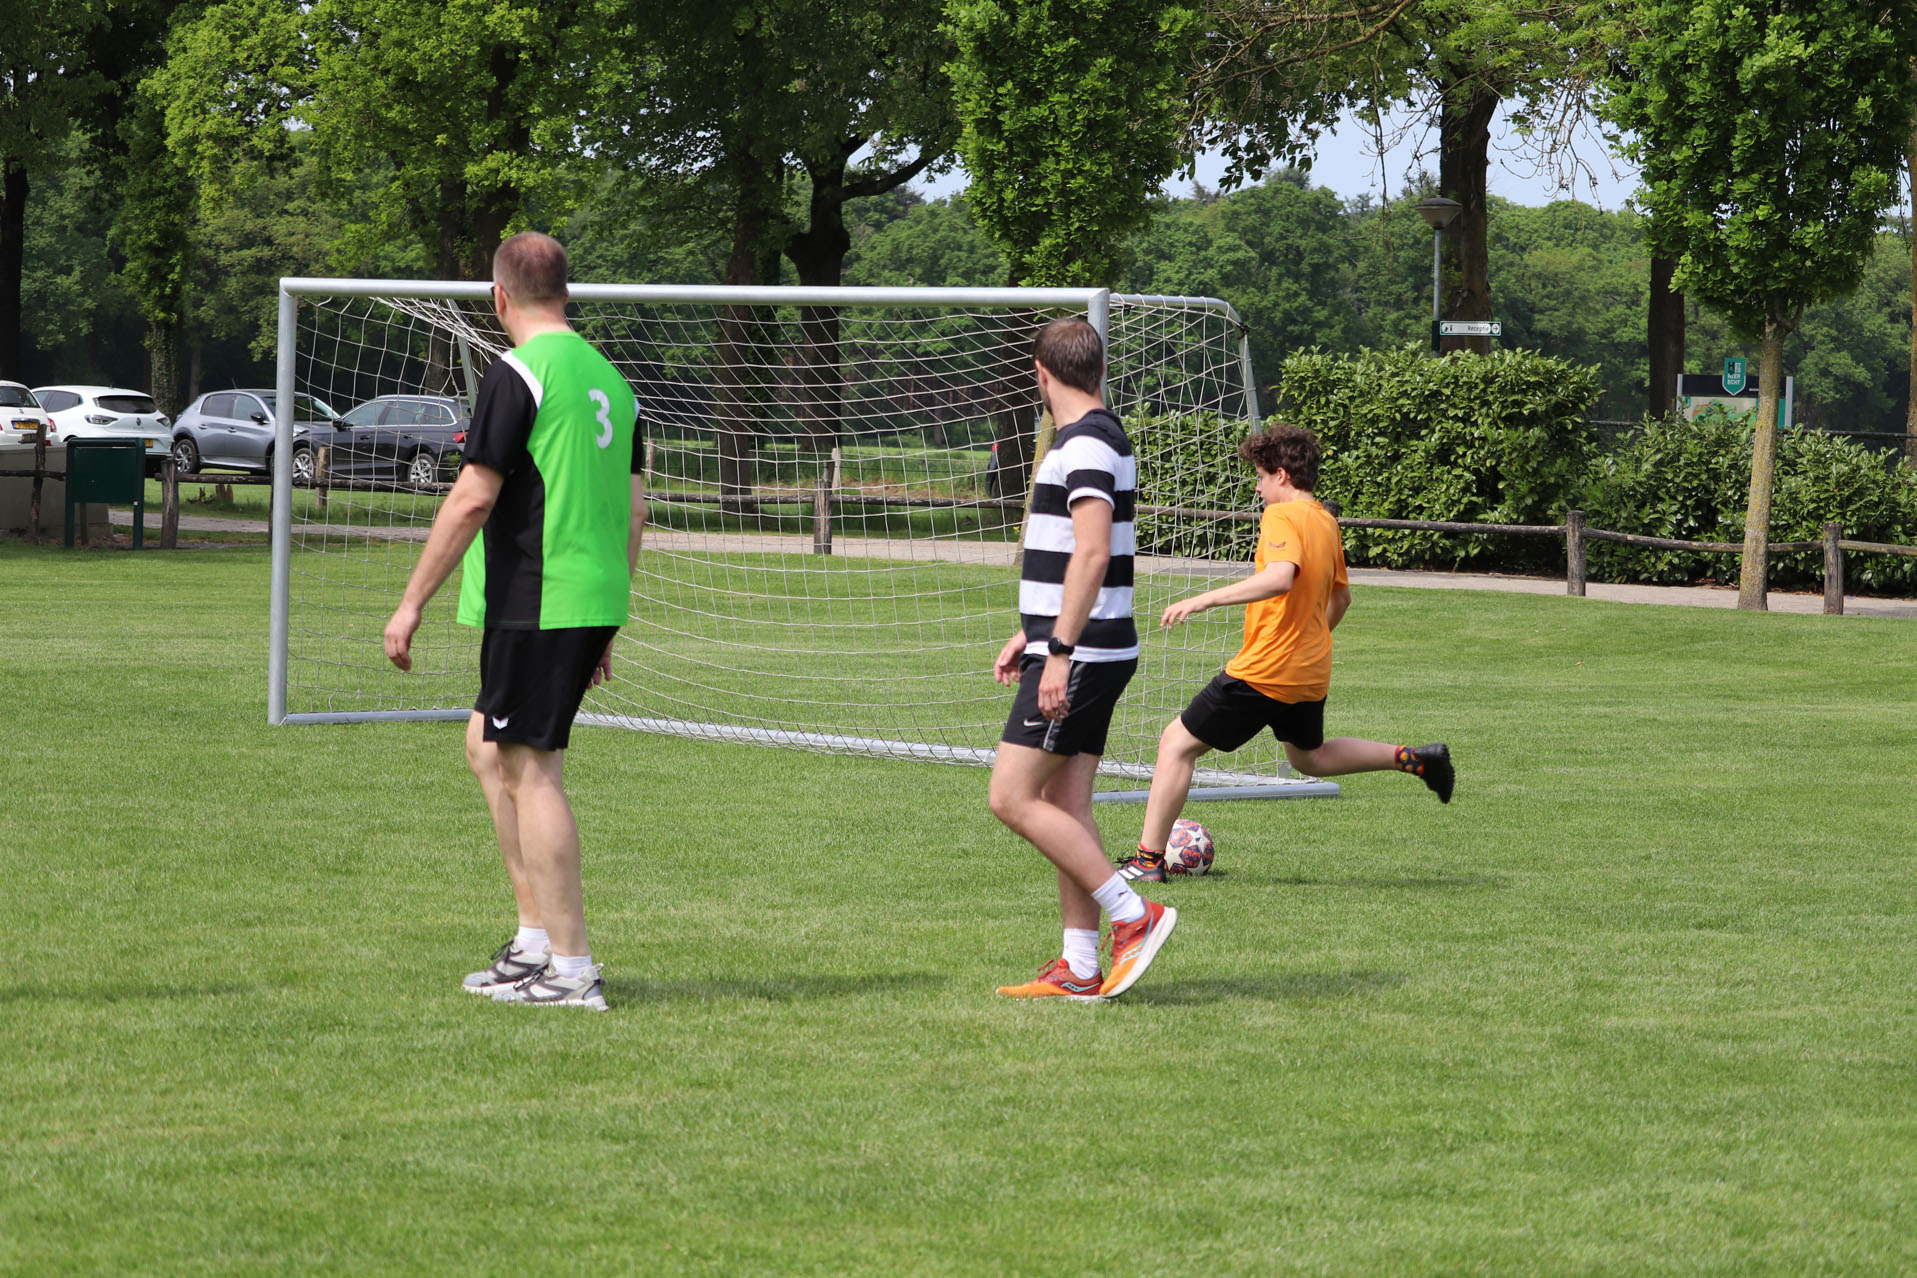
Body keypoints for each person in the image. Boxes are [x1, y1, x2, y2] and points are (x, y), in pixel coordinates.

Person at [383, 230, 645, 1011]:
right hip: (586, 595)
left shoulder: (518, 372)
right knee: (484, 745)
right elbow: (635, 508)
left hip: (541, 597)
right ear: (566, 291)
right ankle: (534, 939)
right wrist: (608, 618)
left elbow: (471, 496)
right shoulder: (613, 381)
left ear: (499, 297)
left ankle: (571, 968)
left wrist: (410, 602)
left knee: (532, 769)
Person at [1118, 424, 1452, 883]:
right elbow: (1341, 599)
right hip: (1310, 670)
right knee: (1308, 758)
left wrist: (1202, 599)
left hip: (1267, 669)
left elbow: (1279, 578)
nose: (1257, 488)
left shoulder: (1281, 516)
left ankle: (1147, 862)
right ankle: (1416, 758)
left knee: (1176, 743)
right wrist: (1309, 639)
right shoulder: (1325, 521)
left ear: (1281, 475)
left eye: (1260, 477)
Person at [989, 317, 1176, 1001]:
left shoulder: (1088, 443)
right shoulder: (1091, 438)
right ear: (1097, 369)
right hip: (1079, 643)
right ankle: (1080, 965)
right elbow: (1076, 553)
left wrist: (1060, 651)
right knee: (1064, 803)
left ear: (1040, 374)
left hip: (1084, 652)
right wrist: (1036, 633)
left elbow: (1094, 552)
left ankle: (1134, 915)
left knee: (1011, 796)